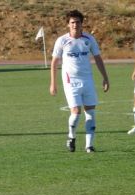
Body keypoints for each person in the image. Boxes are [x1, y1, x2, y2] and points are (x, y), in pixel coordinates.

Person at [50, 10, 110, 153]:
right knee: (76, 112)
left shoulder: (89, 39)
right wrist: (53, 83)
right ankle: (71, 136)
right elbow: (54, 63)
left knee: (90, 112)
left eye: (77, 22)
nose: (75, 25)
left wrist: (105, 78)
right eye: (72, 22)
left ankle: (89, 145)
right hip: (70, 80)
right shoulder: (62, 41)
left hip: (87, 79)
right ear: (68, 24)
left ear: (82, 24)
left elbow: (98, 58)